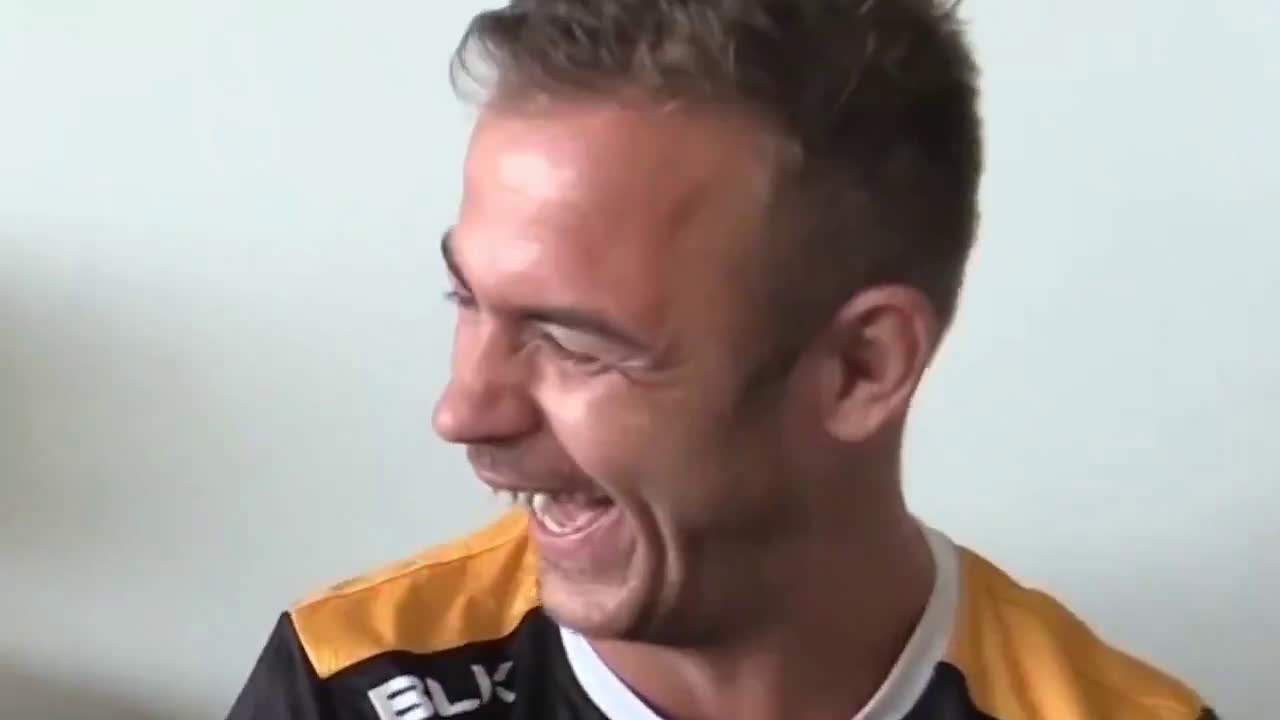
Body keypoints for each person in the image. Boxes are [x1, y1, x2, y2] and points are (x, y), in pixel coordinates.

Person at [226, 1, 1219, 718]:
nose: (463, 411)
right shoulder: (347, 682)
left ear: (861, 368)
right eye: (467, 299)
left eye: (574, 341)